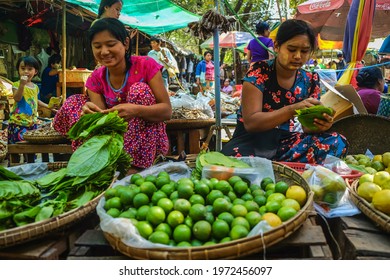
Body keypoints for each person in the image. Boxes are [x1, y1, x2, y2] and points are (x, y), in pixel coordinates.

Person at [221, 19, 348, 164]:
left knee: (337, 142)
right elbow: (251, 123)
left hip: (285, 142)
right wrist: (292, 109)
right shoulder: (258, 72)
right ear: (276, 46)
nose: (298, 56)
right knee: (235, 160)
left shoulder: (310, 79)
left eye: (304, 51)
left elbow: (306, 127)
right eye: (292, 49)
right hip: (251, 142)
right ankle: (281, 166)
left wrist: (321, 124)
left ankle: (278, 166)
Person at [53, 18, 172, 170]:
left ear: (126, 43)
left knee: (139, 91)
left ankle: (135, 167)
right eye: (97, 46)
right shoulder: (96, 78)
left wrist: (136, 110)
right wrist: (92, 114)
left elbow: (167, 111)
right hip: (116, 143)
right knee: (74, 102)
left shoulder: (146, 65)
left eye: (110, 44)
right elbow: (104, 122)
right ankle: (101, 163)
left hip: (149, 143)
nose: (104, 52)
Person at [8, 56, 55, 144]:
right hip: (18, 123)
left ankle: (28, 158)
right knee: (16, 148)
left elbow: (36, 100)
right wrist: (22, 85)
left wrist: (49, 107)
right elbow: (17, 98)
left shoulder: (35, 87)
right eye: (23, 68)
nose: (26, 71)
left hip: (32, 123)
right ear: (18, 70)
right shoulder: (16, 84)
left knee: (31, 148)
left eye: (29, 69)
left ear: (35, 71)